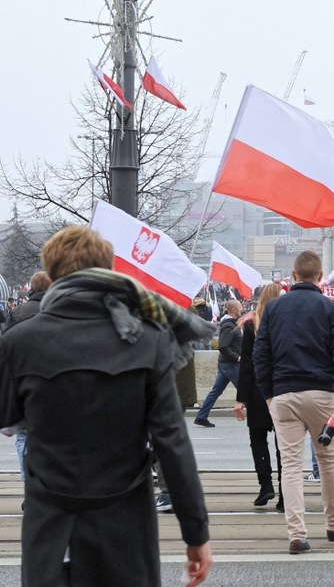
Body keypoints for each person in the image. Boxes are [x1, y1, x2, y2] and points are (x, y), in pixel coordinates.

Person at [0, 226, 212, 586]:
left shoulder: (20, 342)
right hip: (125, 528)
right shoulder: (149, 340)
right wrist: (196, 534)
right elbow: (172, 444)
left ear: (51, 277)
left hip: (51, 529)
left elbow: (8, 416)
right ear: (108, 271)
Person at [253, 250, 334, 554]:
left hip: (283, 395)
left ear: (294, 277)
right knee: (327, 460)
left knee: (291, 466)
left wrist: (269, 393)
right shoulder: (330, 308)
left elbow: (261, 354)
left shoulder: (273, 309)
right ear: (321, 276)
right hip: (321, 393)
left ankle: (296, 534)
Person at [234, 282, 284, 511]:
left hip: (257, 391)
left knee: (257, 440)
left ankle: (265, 485)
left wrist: (240, 399)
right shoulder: (286, 325)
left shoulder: (252, 325)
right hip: (283, 389)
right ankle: (285, 493)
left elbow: (246, 364)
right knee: (285, 445)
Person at [2, 271, 51, 484]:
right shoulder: (52, 309)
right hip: (48, 376)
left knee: (22, 435)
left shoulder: (18, 311)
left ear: (31, 288)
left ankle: (26, 479)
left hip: (21, 376)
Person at [195, 299, 243, 427]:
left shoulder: (231, 324)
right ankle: (260, 416)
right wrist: (237, 358)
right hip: (230, 364)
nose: (241, 308)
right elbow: (223, 346)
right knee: (246, 389)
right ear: (233, 310)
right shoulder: (229, 325)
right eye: (239, 306)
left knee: (216, 391)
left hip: (226, 364)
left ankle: (201, 416)